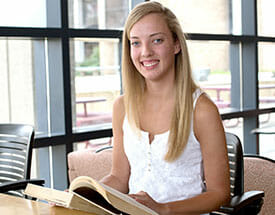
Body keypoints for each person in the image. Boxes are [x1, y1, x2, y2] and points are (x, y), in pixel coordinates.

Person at [101, 1, 230, 215]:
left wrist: (163, 209)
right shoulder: (122, 107)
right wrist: (83, 194)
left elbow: (220, 193)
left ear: (176, 44)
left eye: (157, 40)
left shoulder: (202, 110)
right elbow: (119, 178)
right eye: (135, 43)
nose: (146, 52)